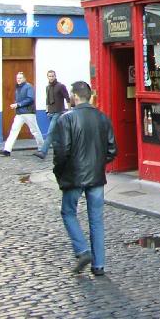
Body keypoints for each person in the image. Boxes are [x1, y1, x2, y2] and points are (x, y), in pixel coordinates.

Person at [52, 81, 117, 277]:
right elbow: (112, 150)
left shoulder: (66, 119)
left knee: (68, 212)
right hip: (96, 177)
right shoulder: (103, 118)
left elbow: (62, 151)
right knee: (96, 220)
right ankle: (99, 265)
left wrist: (59, 172)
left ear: (75, 96)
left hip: (74, 176)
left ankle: (82, 251)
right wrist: (98, 163)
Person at [0, 72, 44, 156]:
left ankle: (42, 148)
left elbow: (30, 99)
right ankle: (7, 150)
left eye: (20, 78)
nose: (18, 80)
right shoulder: (18, 88)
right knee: (13, 131)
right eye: (17, 78)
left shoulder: (28, 86)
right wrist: (17, 105)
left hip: (28, 113)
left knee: (35, 131)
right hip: (19, 113)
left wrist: (18, 104)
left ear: (24, 79)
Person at [33, 70, 71, 159]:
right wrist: (47, 111)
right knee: (56, 135)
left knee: (50, 132)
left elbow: (67, 98)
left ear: (55, 76)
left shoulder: (60, 86)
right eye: (49, 76)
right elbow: (47, 99)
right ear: (47, 77)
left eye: (52, 76)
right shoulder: (48, 87)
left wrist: (69, 111)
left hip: (58, 112)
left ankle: (43, 152)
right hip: (50, 113)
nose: (51, 78)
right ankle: (61, 152)